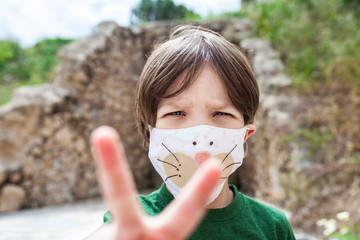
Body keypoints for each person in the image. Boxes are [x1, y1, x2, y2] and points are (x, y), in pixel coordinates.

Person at [88, 25, 296, 239]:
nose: (201, 136)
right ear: (152, 134)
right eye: (177, 112)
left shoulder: (273, 227)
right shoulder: (132, 223)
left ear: (245, 135)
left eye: (221, 113)